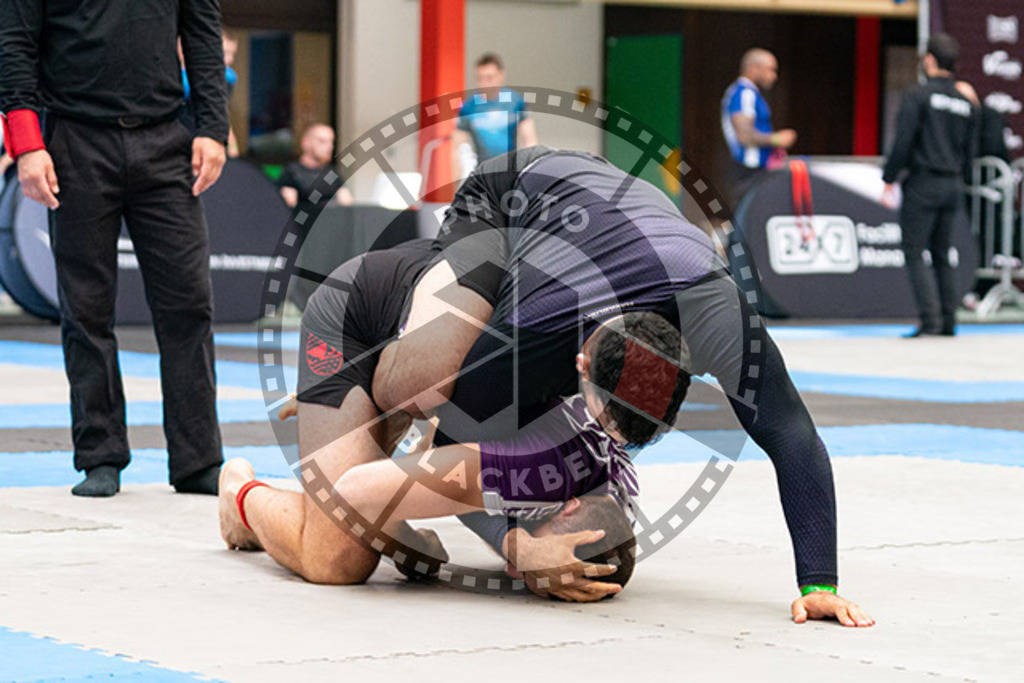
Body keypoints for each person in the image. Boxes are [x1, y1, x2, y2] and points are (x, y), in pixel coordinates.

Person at [373, 147, 873, 626]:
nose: (606, 444)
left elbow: (791, 434)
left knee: (511, 416)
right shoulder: (537, 325)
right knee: (427, 388)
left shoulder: (721, 316)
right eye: (603, 421)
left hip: (608, 202)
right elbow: (449, 451)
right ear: (582, 364)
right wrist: (516, 546)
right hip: (507, 195)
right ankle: (371, 352)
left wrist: (819, 583)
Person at [217, 238, 670, 600]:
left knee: (397, 503)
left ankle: (377, 416)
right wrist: (516, 547)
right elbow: (356, 492)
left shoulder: (616, 496)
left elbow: (475, 485)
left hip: (450, 344)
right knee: (334, 559)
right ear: (567, 505)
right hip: (367, 314)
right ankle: (239, 492)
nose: (526, 578)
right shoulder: (535, 472)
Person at [0, 0, 229, 497]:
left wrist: (213, 127)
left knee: (188, 304)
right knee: (86, 309)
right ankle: (100, 455)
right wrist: (26, 144)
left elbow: (204, 36)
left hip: (167, 138)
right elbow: (13, 44)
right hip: (74, 141)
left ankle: (197, 460)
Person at [882, 34, 977, 338]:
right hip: (952, 183)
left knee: (914, 251)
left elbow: (903, 141)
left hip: (924, 181)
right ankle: (949, 321)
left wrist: (889, 178)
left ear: (930, 60)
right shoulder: (966, 103)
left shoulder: (918, 96)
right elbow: (970, 150)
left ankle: (930, 321)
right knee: (941, 252)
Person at [720, 48, 797, 203]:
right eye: (770, 70)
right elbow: (744, 135)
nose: (774, 76)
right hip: (747, 171)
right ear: (754, 68)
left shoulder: (751, 93)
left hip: (756, 170)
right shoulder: (744, 93)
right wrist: (777, 139)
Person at [453, 54, 538, 177]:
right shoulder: (469, 106)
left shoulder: (515, 101)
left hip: (510, 172)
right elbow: (457, 147)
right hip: (482, 173)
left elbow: (530, 141)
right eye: (480, 78)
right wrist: (456, 183)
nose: (485, 83)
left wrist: (530, 173)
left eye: (489, 78)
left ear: (501, 75)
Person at [278, 123, 353, 208]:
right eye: (322, 141)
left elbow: (346, 203)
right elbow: (289, 205)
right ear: (306, 143)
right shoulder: (292, 172)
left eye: (331, 141)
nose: (329, 146)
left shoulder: (332, 173)